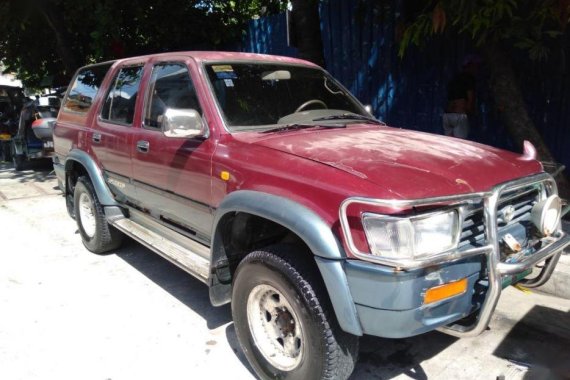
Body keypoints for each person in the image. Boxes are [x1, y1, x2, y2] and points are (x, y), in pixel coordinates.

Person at [443, 54, 481, 139]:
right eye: (476, 66)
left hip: (447, 116)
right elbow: (470, 99)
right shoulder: (469, 79)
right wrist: (471, 114)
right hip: (459, 115)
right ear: (471, 66)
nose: (477, 69)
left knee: (449, 145)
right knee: (460, 145)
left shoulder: (455, 79)